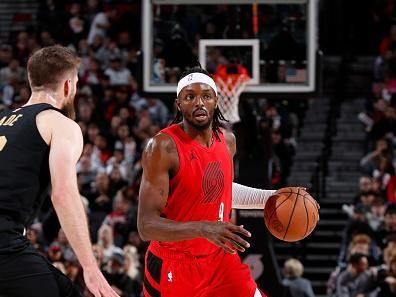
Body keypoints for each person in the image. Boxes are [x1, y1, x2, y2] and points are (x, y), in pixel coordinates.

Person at [137, 67, 315, 297]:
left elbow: (218, 191)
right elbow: (146, 226)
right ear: (179, 104)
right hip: (175, 263)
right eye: (190, 97)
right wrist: (203, 228)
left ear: (216, 101)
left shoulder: (228, 141)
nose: (199, 102)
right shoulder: (163, 147)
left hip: (219, 257)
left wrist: (273, 197)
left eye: (206, 96)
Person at [0, 45, 119, 297]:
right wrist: (90, 266)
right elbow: (63, 194)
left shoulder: (3, 121)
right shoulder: (61, 124)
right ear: (68, 85)